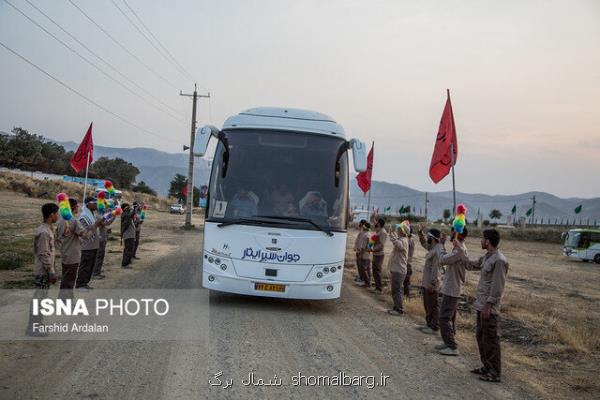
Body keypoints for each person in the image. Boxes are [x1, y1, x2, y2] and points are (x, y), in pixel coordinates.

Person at [459, 229, 509, 383]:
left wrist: (488, 306)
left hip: (489, 308)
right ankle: (486, 367)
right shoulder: (488, 257)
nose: (481, 241)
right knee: (481, 337)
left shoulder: (499, 260)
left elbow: (497, 287)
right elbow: (471, 265)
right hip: (481, 305)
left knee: (491, 340)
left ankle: (494, 372)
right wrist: (460, 249)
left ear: (488, 241)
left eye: (482, 238)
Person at [56, 198, 102, 297]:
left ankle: (63, 299)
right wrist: (96, 226)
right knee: (70, 280)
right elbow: (86, 235)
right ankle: (66, 302)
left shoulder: (61, 220)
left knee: (66, 278)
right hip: (73, 254)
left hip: (65, 253)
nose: (78, 208)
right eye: (77, 206)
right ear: (72, 207)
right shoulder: (73, 220)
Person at [27, 203, 59, 336]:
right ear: (51, 215)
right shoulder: (44, 232)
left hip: (45, 270)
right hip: (43, 271)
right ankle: (33, 327)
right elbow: (44, 253)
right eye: (57, 213)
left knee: (42, 299)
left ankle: (38, 324)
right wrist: (51, 271)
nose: (58, 216)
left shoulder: (48, 229)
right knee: (39, 298)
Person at [436, 227, 469, 356]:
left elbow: (442, 260)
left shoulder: (459, 250)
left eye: (452, 232)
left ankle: (452, 346)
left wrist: (441, 245)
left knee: (444, 317)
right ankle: (448, 342)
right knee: (448, 317)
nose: (450, 234)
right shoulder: (458, 249)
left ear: (457, 234)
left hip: (452, 289)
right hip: (451, 287)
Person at [418, 227, 444, 334]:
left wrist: (432, 283)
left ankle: (434, 327)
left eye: (428, 236)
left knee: (433, 306)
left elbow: (436, 270)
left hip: (432, 284)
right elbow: (424, 244)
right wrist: (420, 234)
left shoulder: (438, 250)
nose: (427, 238)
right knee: (428, 305)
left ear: (432, 238)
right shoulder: (433, 247)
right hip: (428, 282)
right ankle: (429, 324)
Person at [76, 197, 101, 290]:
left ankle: (85, 283)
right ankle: (80, 284)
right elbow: (85, 230)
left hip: (93, 245)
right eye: (94, 202)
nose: (96, 204)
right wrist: (97, 224)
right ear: (87, 204)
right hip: (87, 246)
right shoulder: (83, 216)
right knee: (85, 265)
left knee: (90, 265)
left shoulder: (92, 214)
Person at [387, 221, 410, 315]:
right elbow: (396, 240)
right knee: (395, 289)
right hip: (397, 269)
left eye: (399, 229)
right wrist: (391, 233)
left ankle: (399, 309)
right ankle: (396, 307)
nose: (397, 230)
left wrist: (391, 235)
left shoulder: (403, 241)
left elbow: (397, 244)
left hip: (399, 270)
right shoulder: (401, 239)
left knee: (397, 290)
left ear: (402, 231)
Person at [369, 218, 388, 294]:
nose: (376, 223)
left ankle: (379, 289)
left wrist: (373, 250)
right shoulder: (379, 230)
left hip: (379, 254)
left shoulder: (383, 232)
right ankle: (377, 287)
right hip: (376, 253)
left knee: (377, 271)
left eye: (377, 222)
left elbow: (381, 244)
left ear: (379, 224)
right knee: (375, 271)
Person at [354, 220, 371, 287]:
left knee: (364, 268)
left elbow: (364, 246)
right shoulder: (365, 233)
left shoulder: (366, 235)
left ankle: (366, 282)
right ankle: (364, 280)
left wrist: (361, 253)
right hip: (362, 252)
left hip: (363, 253)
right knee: (363, 268)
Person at [121, 203, 136, 268]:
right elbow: (130, 215)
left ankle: (128, 261)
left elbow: (132, 215)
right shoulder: (125, 215)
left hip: (130, 235)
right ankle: (125, 264)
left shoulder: (127, 215)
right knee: (127, 249)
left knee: (129, 249)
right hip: (128, 235)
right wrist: (134, 209)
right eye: (128, 207)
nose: (130, 208)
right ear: (125, 208)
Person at [403, 228, 415, 297]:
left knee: (406, 282)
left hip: (407, 264)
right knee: (406, 282)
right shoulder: (408, 240)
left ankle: (406, 296)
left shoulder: (410, 240)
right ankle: (406, 295)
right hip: (406, 263)